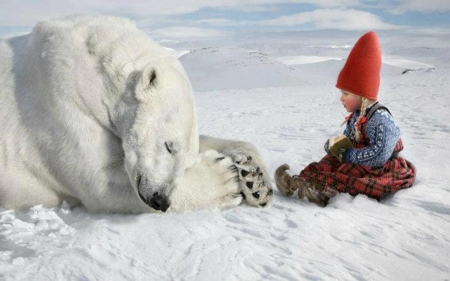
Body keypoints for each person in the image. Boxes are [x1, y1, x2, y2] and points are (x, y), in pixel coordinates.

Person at [275, 31, 416, 207]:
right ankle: (300, 182)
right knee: (329, 161)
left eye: (346, 93)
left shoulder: (380, 119)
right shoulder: (357, 115)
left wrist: (348, 154)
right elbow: (348, 138)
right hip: (356, 157)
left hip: (378, 166)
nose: (341, 98)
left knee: (350, 173)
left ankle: (324, 191)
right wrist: (335, 146)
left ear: (363, 95)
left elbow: (379, 155)